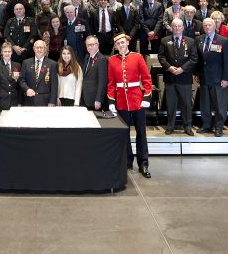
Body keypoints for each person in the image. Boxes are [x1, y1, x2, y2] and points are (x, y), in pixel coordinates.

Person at [106, 33, 153, 178]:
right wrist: (111, 101)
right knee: (124, 134)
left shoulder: (137, 57)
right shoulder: (112, 60)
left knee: (141, 133)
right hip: (121, 101)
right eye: (118, 44)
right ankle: (127, 161)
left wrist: (146, 96)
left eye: (122, 42)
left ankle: (143, 163)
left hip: (137, 100)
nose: (120, 45)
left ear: (127, 43)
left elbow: (146, 79)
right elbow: (111, 83)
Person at [158, 18, 198, 136]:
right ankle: (170, 126)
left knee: (186, 104)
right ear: (171, 27)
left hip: (184, 77)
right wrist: (169, 67)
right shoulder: (164, 40)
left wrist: (182, 69)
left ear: (183, 28)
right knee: (171, 104)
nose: (176, 28)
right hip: (170, 77)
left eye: (179, 26)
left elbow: (193, 58)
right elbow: (161, 57)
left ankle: (187, 126)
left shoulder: (190, 41)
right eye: (174, 26)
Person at [197, 18, 228, 136]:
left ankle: (219, 127)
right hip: (204, 78)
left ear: (214, 26)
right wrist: (197, 74)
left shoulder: (223, 41)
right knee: (205, 104)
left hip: (219, 79)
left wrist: (226, 78)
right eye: (205, 25)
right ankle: (206, 125)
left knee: (219, 105)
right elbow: (199, 60)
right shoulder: (199, 40)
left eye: (209, 25)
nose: (207, 27)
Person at [19, 40, 58, 107]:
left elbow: (54, 85)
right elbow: (21, 80)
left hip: (45, 102)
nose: (39, 49)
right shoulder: (26, 63)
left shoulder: (52, 64)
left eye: (41, 47)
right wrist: (27, 89)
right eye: (37, 47)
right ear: (34, 49)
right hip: (29, 101)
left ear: (45, 49)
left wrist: (52, 102)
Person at [0, 42, 21, 111]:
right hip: (1, 101)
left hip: (14, 101)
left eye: (9, 51)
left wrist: (20, 102)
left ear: (12, 52)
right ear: (2, 53)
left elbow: (19, 85)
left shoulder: (17, 65)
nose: (7, 53)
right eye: (5, 51)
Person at [80, 36, 108, 111]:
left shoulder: (101, 59)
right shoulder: (87, 57)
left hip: (95, 99)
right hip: (85, 98)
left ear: (97, 45)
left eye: (92, 44)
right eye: (88, 45)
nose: (90, 47)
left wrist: (99, 99)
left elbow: (102, 82)